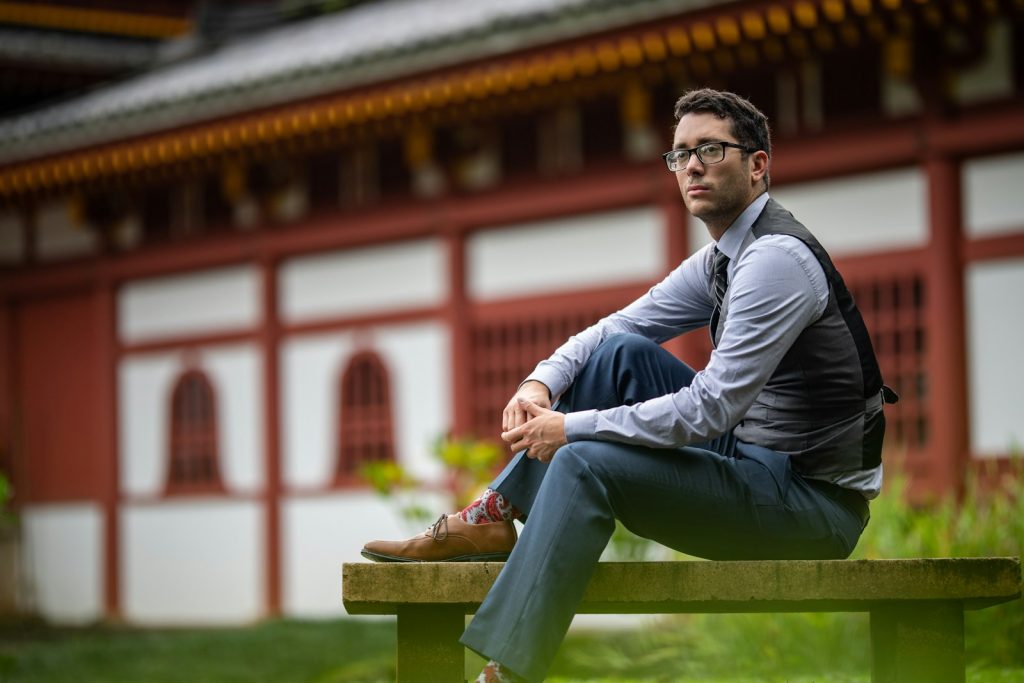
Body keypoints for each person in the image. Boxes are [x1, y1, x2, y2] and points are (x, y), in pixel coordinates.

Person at [362, 88, 895, 683]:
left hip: (809, 508)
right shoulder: (723, 256)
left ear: (758, 164)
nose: (691, 165)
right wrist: (539, 382)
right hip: (754, 460)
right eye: (679, 154)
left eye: (711, 150)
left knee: (583, 460)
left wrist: (570, 426)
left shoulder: (775, 260)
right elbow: (619, 327)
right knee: (618, 355)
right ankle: (494, 512)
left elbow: (710, 408)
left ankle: (505, 672)